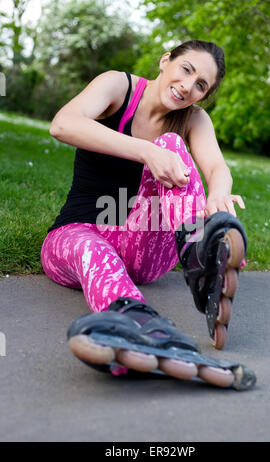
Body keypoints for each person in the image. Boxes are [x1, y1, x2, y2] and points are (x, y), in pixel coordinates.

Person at [41, 39, 252, 389]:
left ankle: (202, 257)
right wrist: (145, 152)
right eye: (186, 69)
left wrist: (218, 196)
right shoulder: (117, 86)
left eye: (201, 85)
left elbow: (217, 168)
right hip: (75, 236)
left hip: (144, 248)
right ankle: (137, 323)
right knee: (94, 248)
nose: (188, 86)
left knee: (171, 145)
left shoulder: (192, 119)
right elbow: (63, 124)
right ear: (165, 60)